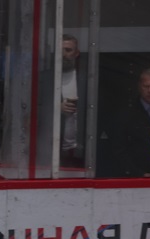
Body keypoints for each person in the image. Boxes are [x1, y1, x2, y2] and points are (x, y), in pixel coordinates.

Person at [59, 35, 85, 167]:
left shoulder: (87, 79)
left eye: (68, 50)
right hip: (53, 150)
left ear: (77, 53)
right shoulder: (46, 77)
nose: (63, 54)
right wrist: (56, 108)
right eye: (60, 50)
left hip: (81, 151)